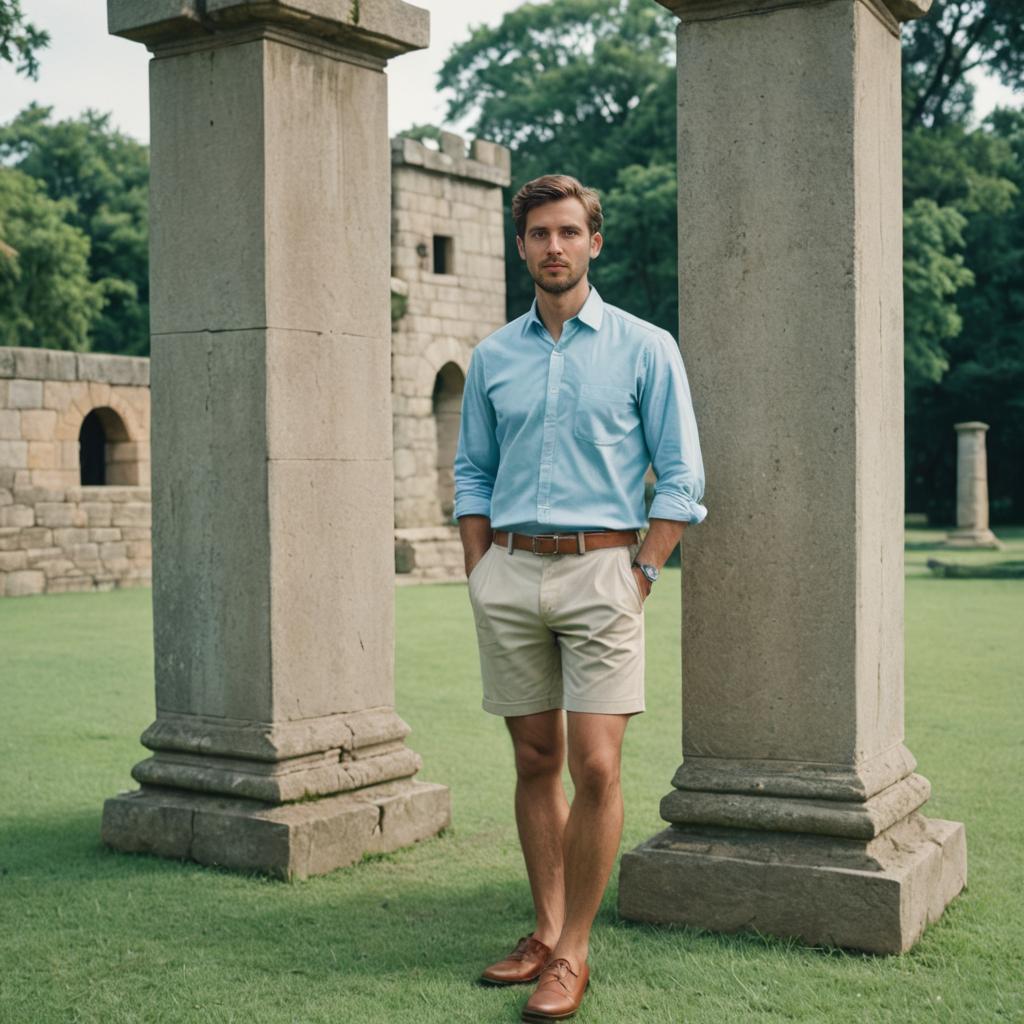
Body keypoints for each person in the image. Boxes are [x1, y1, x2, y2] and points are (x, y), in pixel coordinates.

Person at [453, 174, 706, 1022]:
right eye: (538, 234)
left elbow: (681, 477)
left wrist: (640, 571)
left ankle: (574, 952)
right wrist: (480, 566)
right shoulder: (493, 356)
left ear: (595, 242)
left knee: (597, 763)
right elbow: (473, 472)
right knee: (535, 761)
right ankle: (544, 928)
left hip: (604, 572)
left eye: (568, 232)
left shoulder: (645, 347)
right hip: (511, 572)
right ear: (521, 246)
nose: (553, 247)